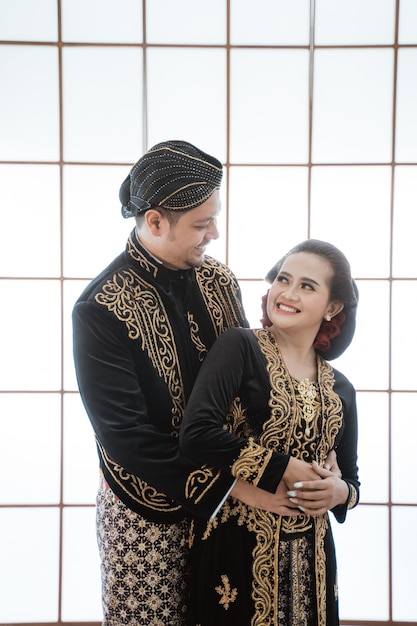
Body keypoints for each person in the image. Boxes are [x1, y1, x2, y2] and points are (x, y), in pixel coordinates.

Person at [72, 140, 251, 626]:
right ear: (154, 221)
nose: (214, 232)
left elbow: (253, 382)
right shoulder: (100, 308)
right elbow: (125, 437)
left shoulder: (220, 281)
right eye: (200, 223)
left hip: (231, 506)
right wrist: (234, 489)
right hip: (144, 514)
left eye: (214, 217)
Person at [179, 239, 360, 626]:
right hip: (237, 543)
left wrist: (339, 491)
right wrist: (284, 467)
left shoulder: (340, 387)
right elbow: (196, 434)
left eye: (307, 286)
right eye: (283, 279)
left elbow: (352, 480)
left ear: (333, 307)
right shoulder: (240, 348)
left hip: (313, 556)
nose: (287, 293)